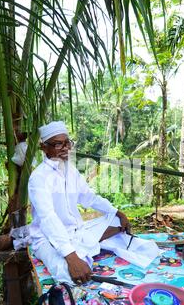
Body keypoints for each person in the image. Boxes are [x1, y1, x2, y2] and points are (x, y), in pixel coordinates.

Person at [28, 121, 159, 285]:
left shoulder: (71, 170)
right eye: (58, 144)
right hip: (47, 237)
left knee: (116, 220)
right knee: (68, 274)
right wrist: (71, 257)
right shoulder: (39, 178)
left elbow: (89, 198)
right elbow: (48, 218)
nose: (66, 148)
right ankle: (89, 246)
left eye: (67, 142)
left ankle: (93, 242)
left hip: (75, 230)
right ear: (44, 147)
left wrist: (118, 212)